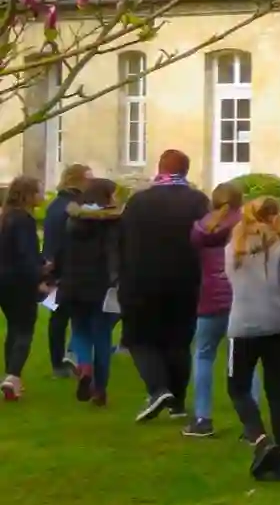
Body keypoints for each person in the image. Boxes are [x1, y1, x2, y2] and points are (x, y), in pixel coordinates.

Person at [118, 149, 211, 423]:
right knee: (179, 341)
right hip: (185, 278)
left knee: (139, 338)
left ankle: (157, 388)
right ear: (186, 170)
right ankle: (178, 403)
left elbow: (122, 241)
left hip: (141, 279)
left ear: (160, 167)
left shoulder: (138, 201)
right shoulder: (197, 201)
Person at [224, 197, 280, 481]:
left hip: (244, 326)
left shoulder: (233, 248)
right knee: (277, 390)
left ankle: (261, 440)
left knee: (238, 387)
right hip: (279, 325)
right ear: (275, 217)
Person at [55, 177, 122, 407]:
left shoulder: (72, 220)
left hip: (73, 284)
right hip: (101, 285)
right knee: (102, 336)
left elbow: (63, 253)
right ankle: (100, 390)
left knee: (80, 330)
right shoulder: (112, 223)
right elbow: (114, 253)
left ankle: (85, 367)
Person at [184, 183, 244, 439]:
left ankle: (202, 417)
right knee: (244, 362)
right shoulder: (245, 225)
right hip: (240, 298)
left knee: (204, 355)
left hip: (210, 297)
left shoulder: (202, 227)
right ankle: (250, 423)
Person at [41, 163, 88, 378]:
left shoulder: (55, 205)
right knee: (69, 317)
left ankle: (62, 360)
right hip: (70, 268)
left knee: (60, 317)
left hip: (57, 267)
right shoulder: (72, 207)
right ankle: (65, 360)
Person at [0, 176, 42, 401]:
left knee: (13, 329)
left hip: (3, 280)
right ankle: (13, 375)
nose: (41, 196)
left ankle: (10, 376)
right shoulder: (23, 220)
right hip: (20, 281)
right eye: (38, 191)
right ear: (29, 194)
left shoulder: (5, 217)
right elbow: (25, 255)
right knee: (24, 329)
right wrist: (40, 274)